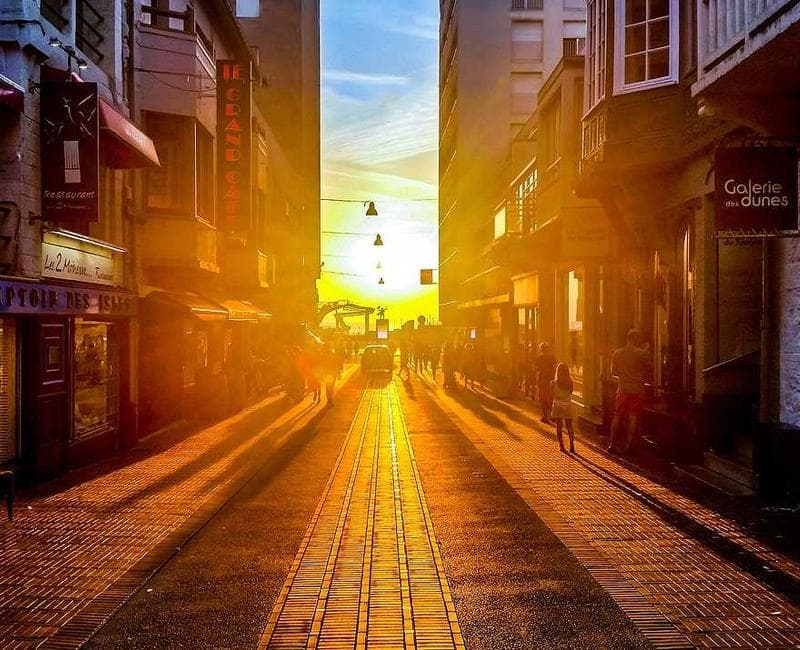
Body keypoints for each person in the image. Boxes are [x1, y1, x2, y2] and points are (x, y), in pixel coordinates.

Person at [609, 329, 651, 454]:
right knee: (633, 417)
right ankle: (629, 445)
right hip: (637, 389)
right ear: (636, 340)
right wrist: (646, 350)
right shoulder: (641, 354)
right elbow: (649, 368)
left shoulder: (618, 353)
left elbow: (613, 372)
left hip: (622, 388)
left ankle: (612, 444)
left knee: (617, 415)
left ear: (627, 339)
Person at [551, 363, 576, 453]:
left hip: (557, 405)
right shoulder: (570, 383)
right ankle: (572, 445)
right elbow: (571, 392)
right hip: (567, 405)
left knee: (559, 426)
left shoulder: (553, 383)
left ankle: (561, 445)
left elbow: (552, 395)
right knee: (569, 426)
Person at [534, 342, 558, 424]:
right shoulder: (552, 358)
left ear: (541, 349)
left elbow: (536, 369)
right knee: (550, 398)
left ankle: (545, 416)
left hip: (542, 380)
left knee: (543, 399)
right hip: (551, 380)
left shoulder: (539, 358)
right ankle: (552, 415)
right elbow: (555, 369)